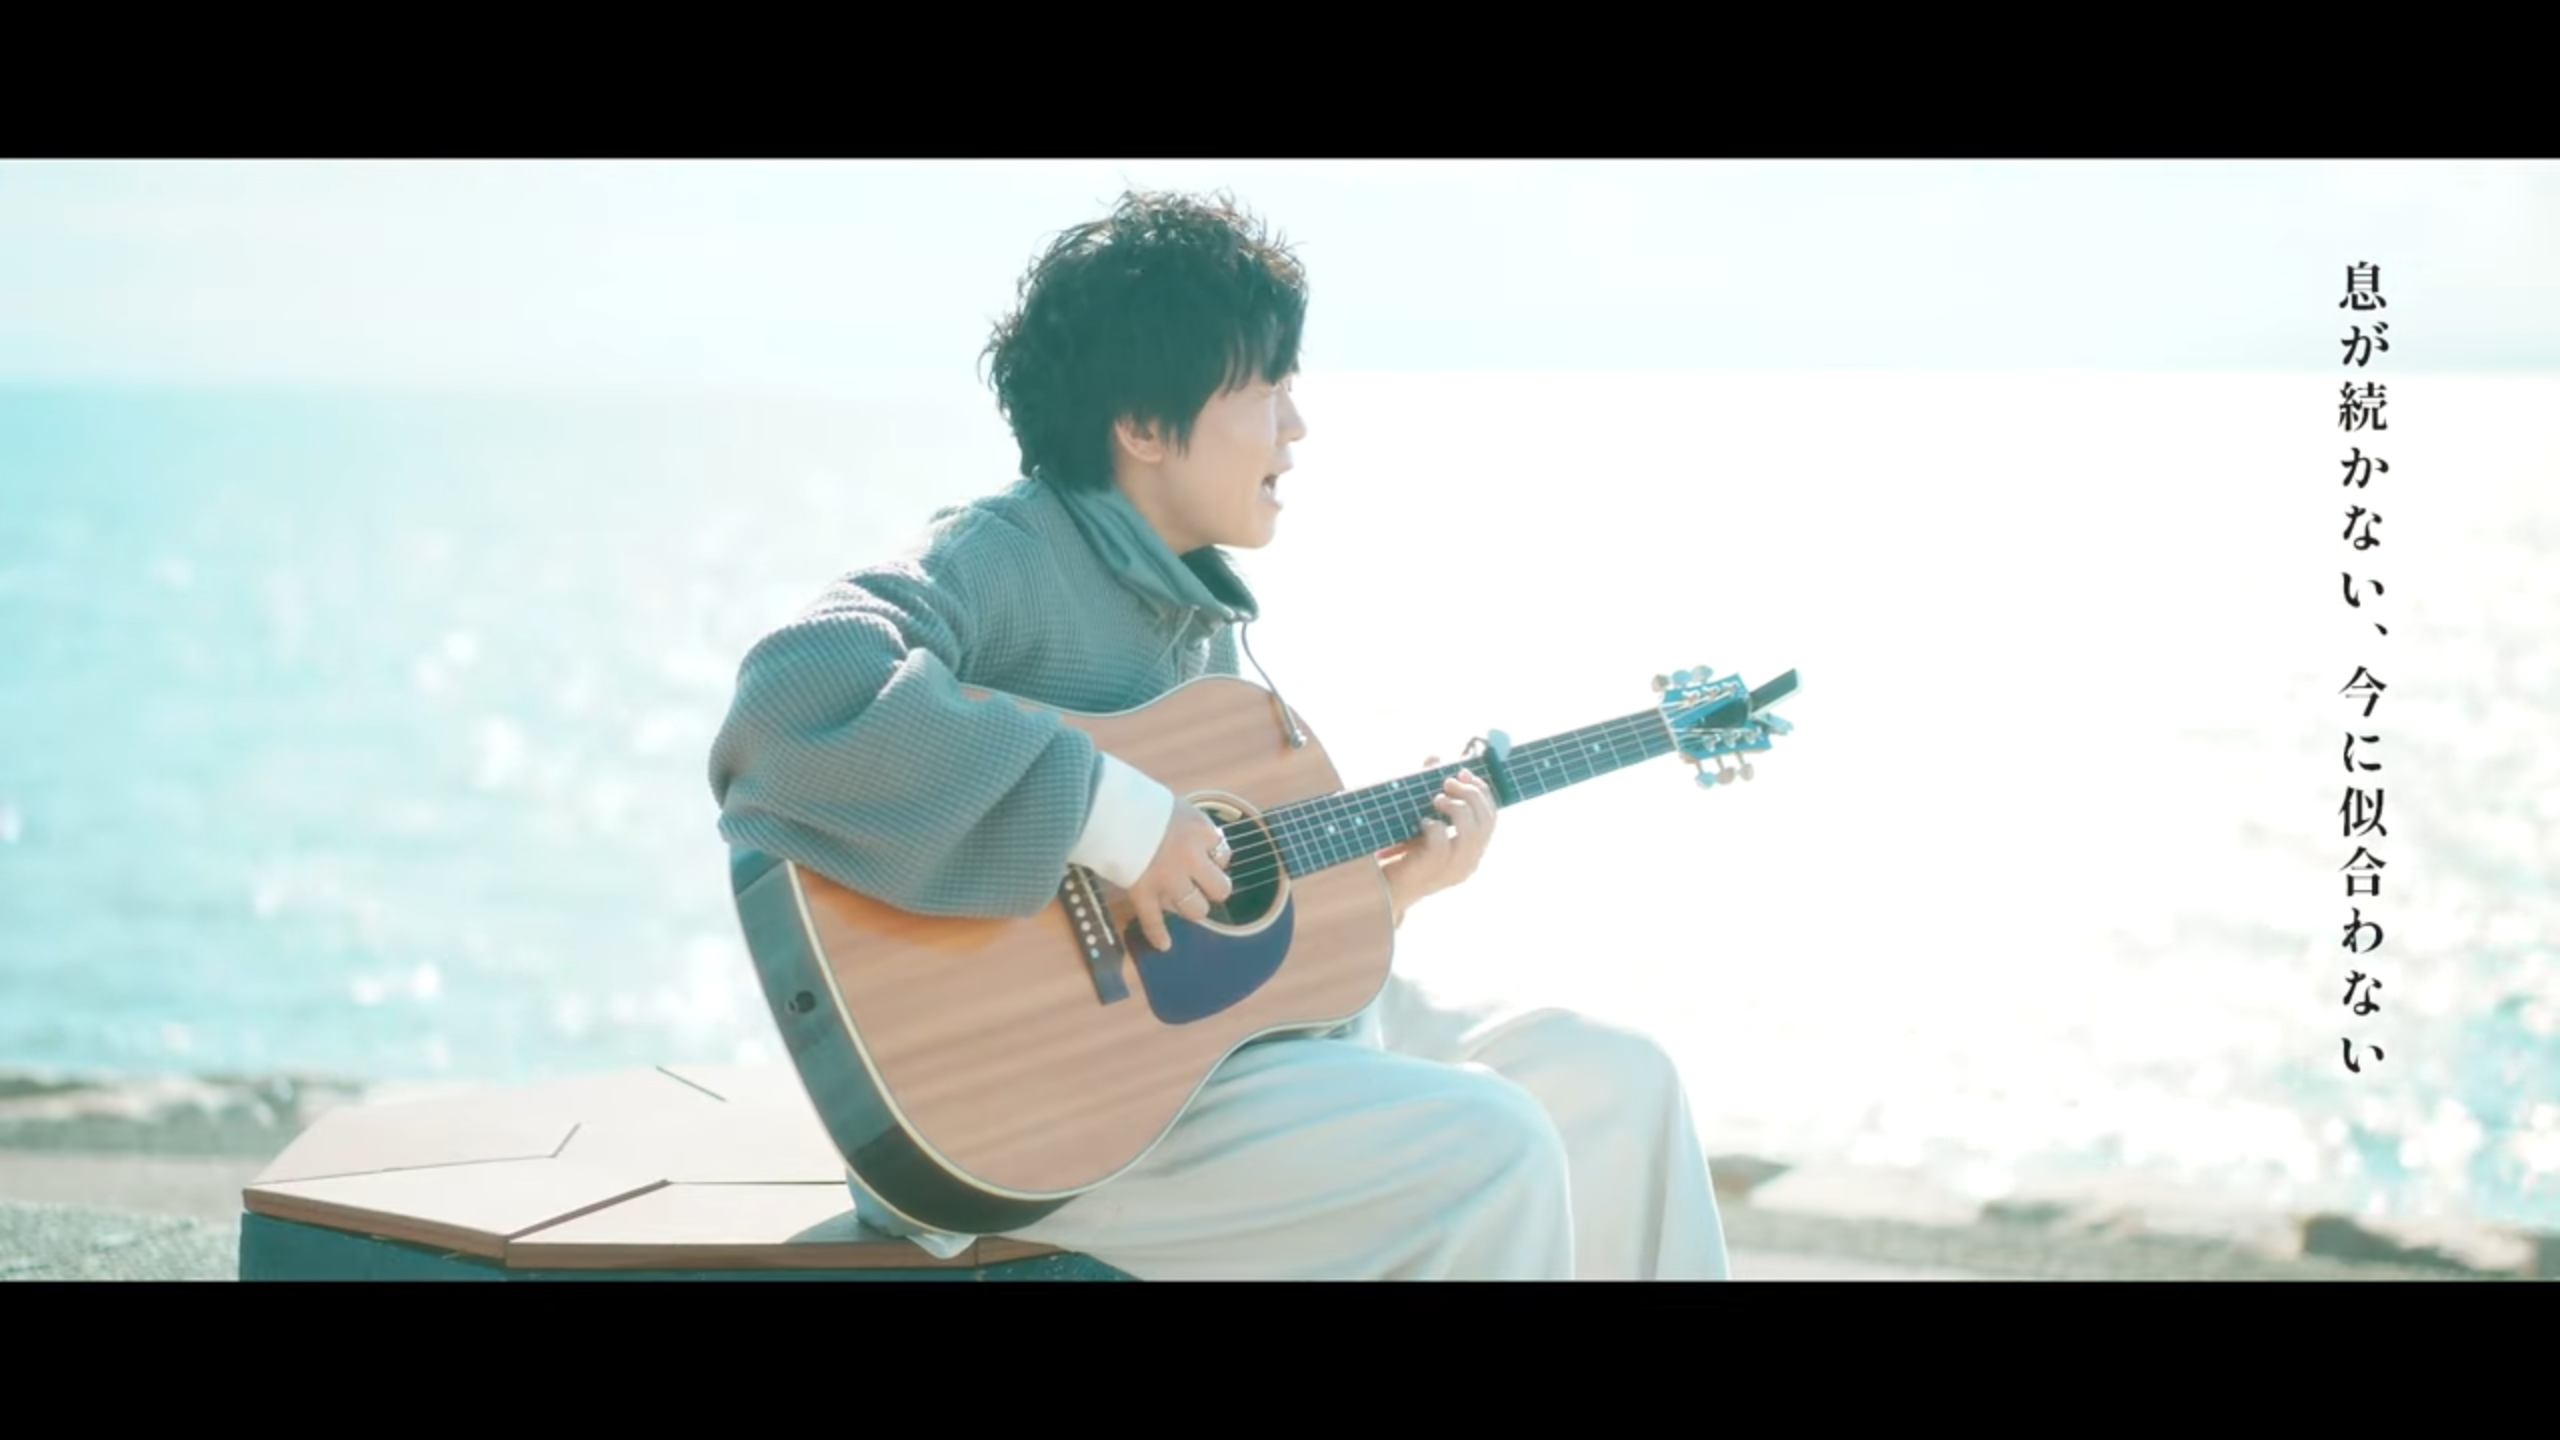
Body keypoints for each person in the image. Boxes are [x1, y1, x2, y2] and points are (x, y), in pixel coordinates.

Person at [706, 188, 1730, 1279]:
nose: (1297, 425)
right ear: (1145, 426)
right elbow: (790, 699)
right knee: (1491, 1143)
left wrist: (1388, 895)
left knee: (1616, 1081)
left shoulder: (1192, 611)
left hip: (1189, 1068)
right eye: (1268, 387)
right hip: (1039, 1112)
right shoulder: (1005, 556)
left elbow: (1211, 965)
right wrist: (1115, 815)